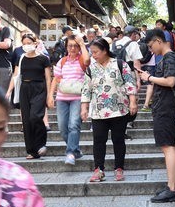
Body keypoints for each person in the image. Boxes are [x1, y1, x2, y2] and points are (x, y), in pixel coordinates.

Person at [81, 37, 138, 182]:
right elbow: (86, 90)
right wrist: (84, 108)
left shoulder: (120, 64)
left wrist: (132, 102)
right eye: (92, 52)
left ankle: (119, 168)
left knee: (118, 140)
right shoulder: (91, 69)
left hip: (119, 108)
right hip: (98, 111)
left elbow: (130, 84)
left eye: (96, 52)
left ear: (105, 50)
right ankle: (98, 169)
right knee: (98, 140)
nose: (93, 55)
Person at [140, 28, 175, 202]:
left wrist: (149, 78)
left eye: (151, 46)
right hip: (164, 106)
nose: (151, 50)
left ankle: (172, 189)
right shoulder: (167, 58)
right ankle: (173, 185)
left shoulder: (170, 57)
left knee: (167, 146)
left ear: (158, 41)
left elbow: (170, 81)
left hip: (165, 107)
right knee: (169, 145)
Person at [9, 34, 53, 159]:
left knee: (35, 117)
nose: (27, 45)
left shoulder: (43, 58)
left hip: (39, 88)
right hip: (25, 88)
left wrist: (49, 95)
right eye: (24, 43)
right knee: (27, 121)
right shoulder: (21, 58)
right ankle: (31, 151)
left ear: (35, 43)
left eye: (29, 42)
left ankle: (41, 144)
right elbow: (15, 75)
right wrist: (8, 91)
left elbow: (48, 78)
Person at [50, 34, 89, 165]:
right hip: (62, 98)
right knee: (62, 128)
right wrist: (50, 95)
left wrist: (82, 44)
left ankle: (70, 153)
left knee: (73, 125)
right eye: (70, 46)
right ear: (66, 47)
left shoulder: (82, 59)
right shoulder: (62, 61)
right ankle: (76, 150)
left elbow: (88, 62)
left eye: (75, 46)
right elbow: (55, 79)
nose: (72, 48)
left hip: (77, 98)